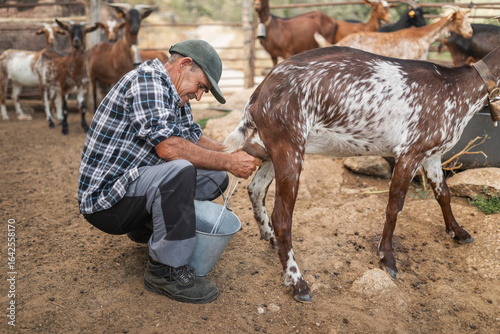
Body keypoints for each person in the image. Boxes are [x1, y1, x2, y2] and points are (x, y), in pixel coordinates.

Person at [78, 39, 262, 304]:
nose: (199, 96)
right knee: (181, 170)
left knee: (215, 177)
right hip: (107, 203)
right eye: (201, 87)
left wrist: (230, 153)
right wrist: (230, 163)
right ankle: (164, 271)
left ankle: (148, 228)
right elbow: (169, 148)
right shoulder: (147, 81)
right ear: (185, 65)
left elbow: (192, 138)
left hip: (133, 185)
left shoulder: (174, 92)